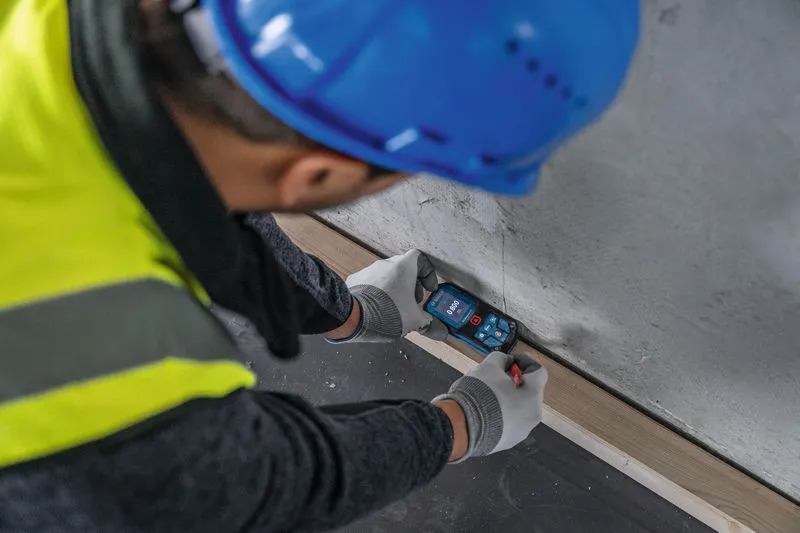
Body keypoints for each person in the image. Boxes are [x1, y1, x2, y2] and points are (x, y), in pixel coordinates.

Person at [0, 0, 639, 531]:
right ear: (323, 174)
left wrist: (344, 311)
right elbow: (262, 484)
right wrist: (459, 426)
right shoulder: (102, 394)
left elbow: (201, 199)